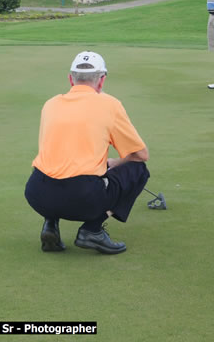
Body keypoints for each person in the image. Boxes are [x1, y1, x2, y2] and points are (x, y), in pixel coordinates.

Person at [24, 51, 150, 255]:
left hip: (37, 193)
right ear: (102, 81)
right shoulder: (110, 105)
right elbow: (141, 155)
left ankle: (50, 224)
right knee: (139, 170)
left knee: (55, 168)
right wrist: (115, 162)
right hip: (81, 197)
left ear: (70, 79)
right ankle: (92, 230)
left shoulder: (51, 103)